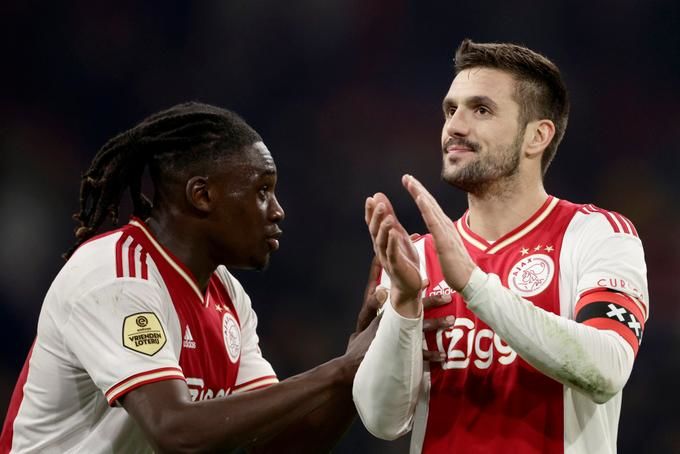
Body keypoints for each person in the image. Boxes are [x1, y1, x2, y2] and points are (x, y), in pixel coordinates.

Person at [0, 102, 382, 453]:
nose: (278, 211)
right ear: (202, 195)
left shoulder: (227, 295)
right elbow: (175, 432)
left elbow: (279, 445)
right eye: (262, 190)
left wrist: (357, 369)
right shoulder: (116, 277)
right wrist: (339, 370)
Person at [353, 40, 649, 453]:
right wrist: (403, 303)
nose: (455, 127)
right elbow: (382, 420)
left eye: (481, 110)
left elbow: (607, 369)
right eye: (450, 110)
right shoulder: (414, 259)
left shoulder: (596, 234)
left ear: (536, 136)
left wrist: (474, 284)